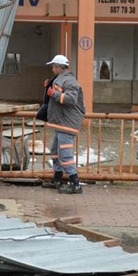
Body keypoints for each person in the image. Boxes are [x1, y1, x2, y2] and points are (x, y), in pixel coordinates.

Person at [41, 54, 86, 194]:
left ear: (59, 67)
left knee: (65, 154)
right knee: (55, 151)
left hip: (67, 123)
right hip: (62, 123)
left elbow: (71, 100)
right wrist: (51, 87)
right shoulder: (62, 80)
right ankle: (58, 178)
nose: (52, 69)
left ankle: (75, 183)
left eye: (53, 67)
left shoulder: (70, 82)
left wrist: (53, 93)